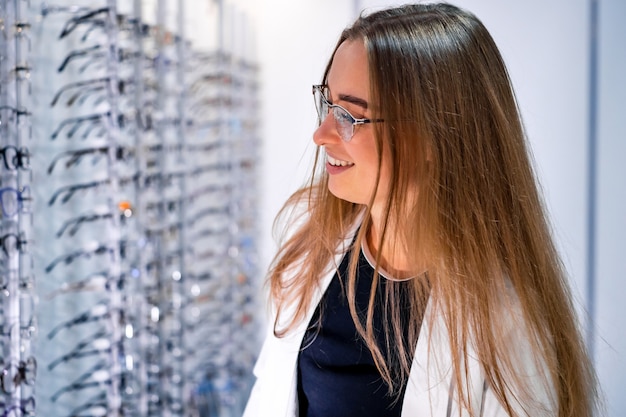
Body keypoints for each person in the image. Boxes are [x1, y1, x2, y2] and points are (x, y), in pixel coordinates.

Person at [244, 3, 598, 416]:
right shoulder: (311, 248)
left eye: (350, 116)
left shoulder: (507, 328)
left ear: (434, 135)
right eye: (327, 104)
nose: (321, 134)